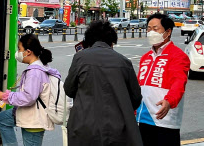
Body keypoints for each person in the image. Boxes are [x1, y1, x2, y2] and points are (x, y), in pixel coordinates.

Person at [64, 20, 143, 146]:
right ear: (112, 42)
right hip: (117, 127)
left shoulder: (80, 58)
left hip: (84, 126)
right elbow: (136, 98)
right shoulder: (124, 62)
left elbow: (68, 89)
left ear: (89, 41)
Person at [0, 34, 61, 146]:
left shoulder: (34, 72)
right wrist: (6, 95)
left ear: (28, 52)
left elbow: (29, 98)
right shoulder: (40, 67)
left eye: (19, 49)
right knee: (2, 118)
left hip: (34, 121)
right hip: (29, 115)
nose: (18, 53)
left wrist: (7, 97)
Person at [136, 14, 190, 146]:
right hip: (142, 118)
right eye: (148, 29)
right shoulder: (146, 57)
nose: (151, 32)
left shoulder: (178, 56)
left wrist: (169, 101)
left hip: (164, 120)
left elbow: (179, 83)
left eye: (156, 28)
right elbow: (138, 85)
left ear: (168, 32)